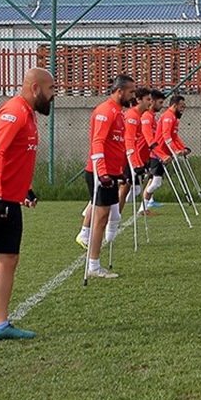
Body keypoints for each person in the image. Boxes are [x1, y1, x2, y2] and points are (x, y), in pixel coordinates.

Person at [0, 67, 55, 340]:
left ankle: (0, 324)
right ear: (35, 89)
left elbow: (15, 160)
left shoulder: (29, 115)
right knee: (5, 258)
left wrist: (25, 190)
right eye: (51, 89)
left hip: (9, 197)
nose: (53, 95)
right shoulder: (15, 112)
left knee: (9, 258)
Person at [74, 74, 134, 278]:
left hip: (110, 173)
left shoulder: (119, 113)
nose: (132, 96)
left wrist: (120, 173)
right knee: (101, 219)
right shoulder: (105, 111)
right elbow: (97, 142)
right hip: (100, 174)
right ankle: (93, 265)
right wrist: (103, 173)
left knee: (106, 216)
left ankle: (93, 261)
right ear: (120, 91)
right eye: (131, 92)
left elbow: (116, 146)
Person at [120, 86, 152, 214]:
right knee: (122, 188)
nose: (150, 102)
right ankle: (112, 219)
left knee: (125, 187)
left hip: (129, 156)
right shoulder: (132, 116)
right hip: (123, 156)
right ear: (139, 100)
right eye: (148, 99)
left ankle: (114, 217)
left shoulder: (138, 116)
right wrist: (135, 163)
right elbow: (129, 141)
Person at [140, 89, 166, 210]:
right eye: (159, 103)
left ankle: (144, 206)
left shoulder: (152, 117)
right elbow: (149, 139)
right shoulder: (147, 117)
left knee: (152, 182)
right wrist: (161, 154)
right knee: (126, 188)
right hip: (143, 155)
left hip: (149, 155)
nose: (161, 106)